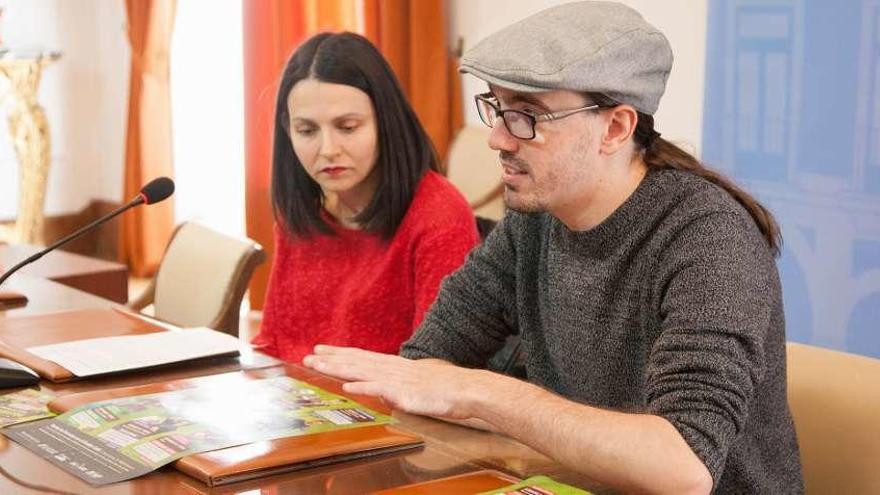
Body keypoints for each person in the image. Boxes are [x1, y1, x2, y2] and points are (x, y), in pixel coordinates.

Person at [303, 3, 804, 494]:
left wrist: (481, 391)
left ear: (616, 128)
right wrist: (464, 394)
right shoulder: (537, 218)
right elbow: (423, 367)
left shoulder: (708, 237)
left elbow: (684, 467)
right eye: (496, 109)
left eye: (528, 115)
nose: (498, 137)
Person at [254, 32, 480, 363]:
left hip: (388, 410)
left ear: (385, 123)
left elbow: (436, 371)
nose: (328, 150)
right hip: (298, 405)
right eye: (307, 131)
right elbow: (272, 345)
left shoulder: (438, 215)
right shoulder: (302, 211)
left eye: (347, 127)